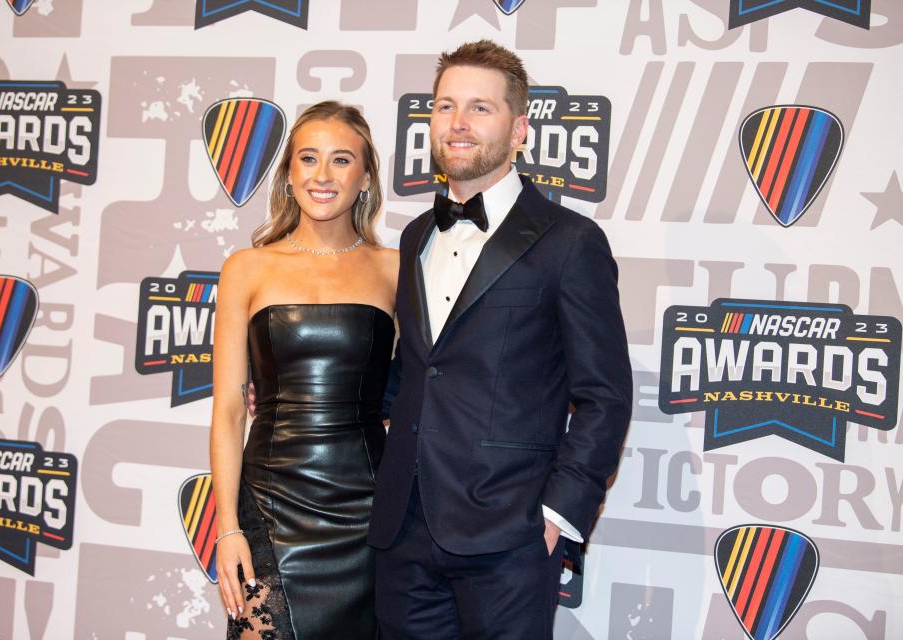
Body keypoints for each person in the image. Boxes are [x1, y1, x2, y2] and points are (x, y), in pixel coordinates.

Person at [368, 40, 633, 639]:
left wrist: (556, 515)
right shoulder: (414, 238)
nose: (457, 123)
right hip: (403, 532)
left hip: (508, 538)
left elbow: (605, 396)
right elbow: (414, 371)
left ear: (520, 130)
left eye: (480, 109)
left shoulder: (569, 242)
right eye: (444, 107)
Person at [209, 101, 398, 640]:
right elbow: (227, 410)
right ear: (288, 174)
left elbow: (416, 391)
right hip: (270, 503)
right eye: (308, 158)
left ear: (365, 179)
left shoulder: (396, 270)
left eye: (342, 160)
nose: (322, 175)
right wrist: (227, 528)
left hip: (366, 507)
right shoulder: (247, 267)